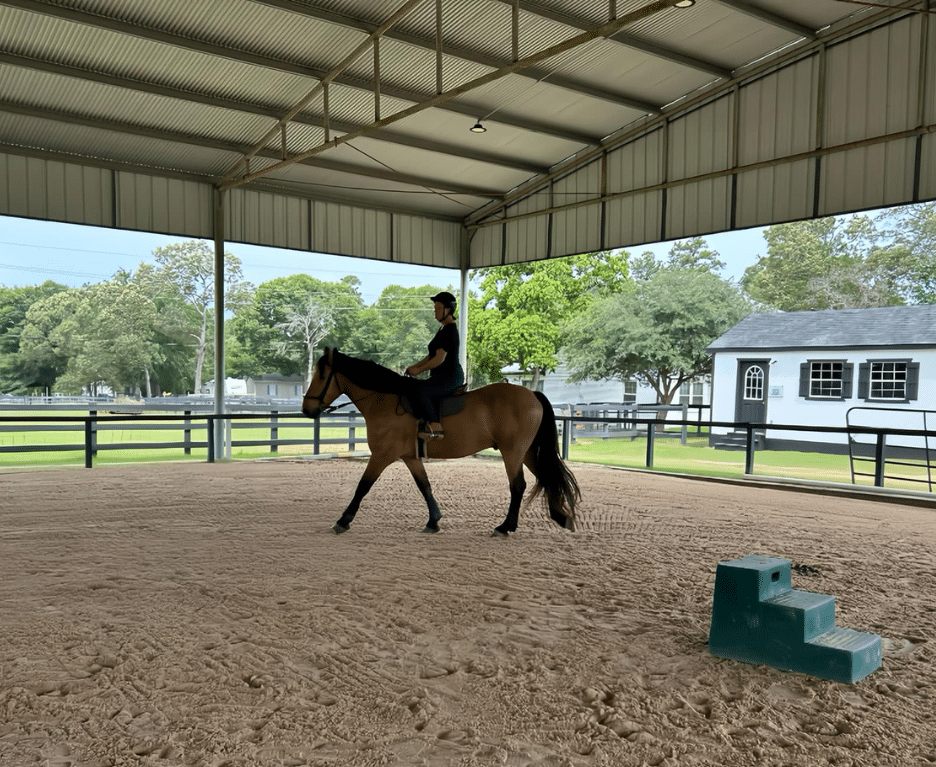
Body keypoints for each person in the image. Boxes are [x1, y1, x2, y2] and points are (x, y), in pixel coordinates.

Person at [405, 291, 465, 439]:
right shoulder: (442, 329)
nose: (435, 312)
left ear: (448, 309)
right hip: (441, 377)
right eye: (435, 308)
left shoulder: (449, 330)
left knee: (421, 391)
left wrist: (418, 370)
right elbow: (430, 356)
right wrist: (415, 367)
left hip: (449, 378)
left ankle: (435, 425)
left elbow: (439, 359)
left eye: (438, 308)